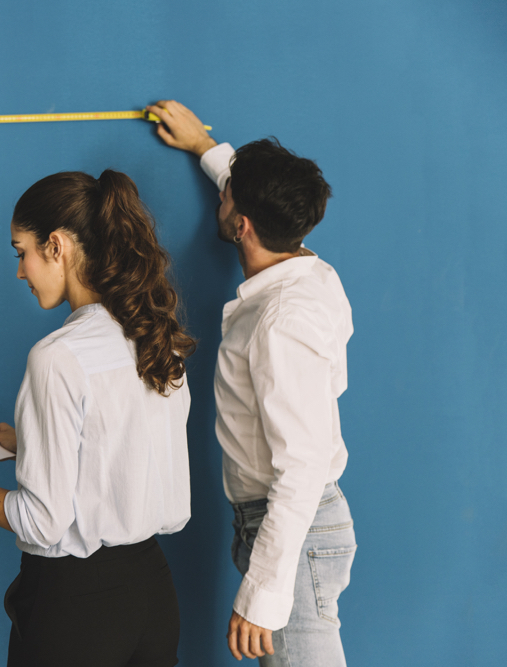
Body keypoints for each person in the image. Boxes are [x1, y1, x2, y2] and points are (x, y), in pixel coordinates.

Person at [0, 169, 195, 666]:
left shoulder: (57, 356)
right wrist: (28, 444)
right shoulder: (154, 335)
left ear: (56, 247)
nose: (19, 271)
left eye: (20, 252)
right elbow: (121, 456)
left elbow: (41, 522)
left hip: (76, 610)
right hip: (153, 598)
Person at [147, 100, 357, 666]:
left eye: (226, 195)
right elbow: (258, 197)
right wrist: (207, 150)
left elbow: (304, 463)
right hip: (287, 525)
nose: (221, 197)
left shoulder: (281, 322)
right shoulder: (309, 268)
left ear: (240, 225)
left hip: (294, 528)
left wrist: (264, 595)